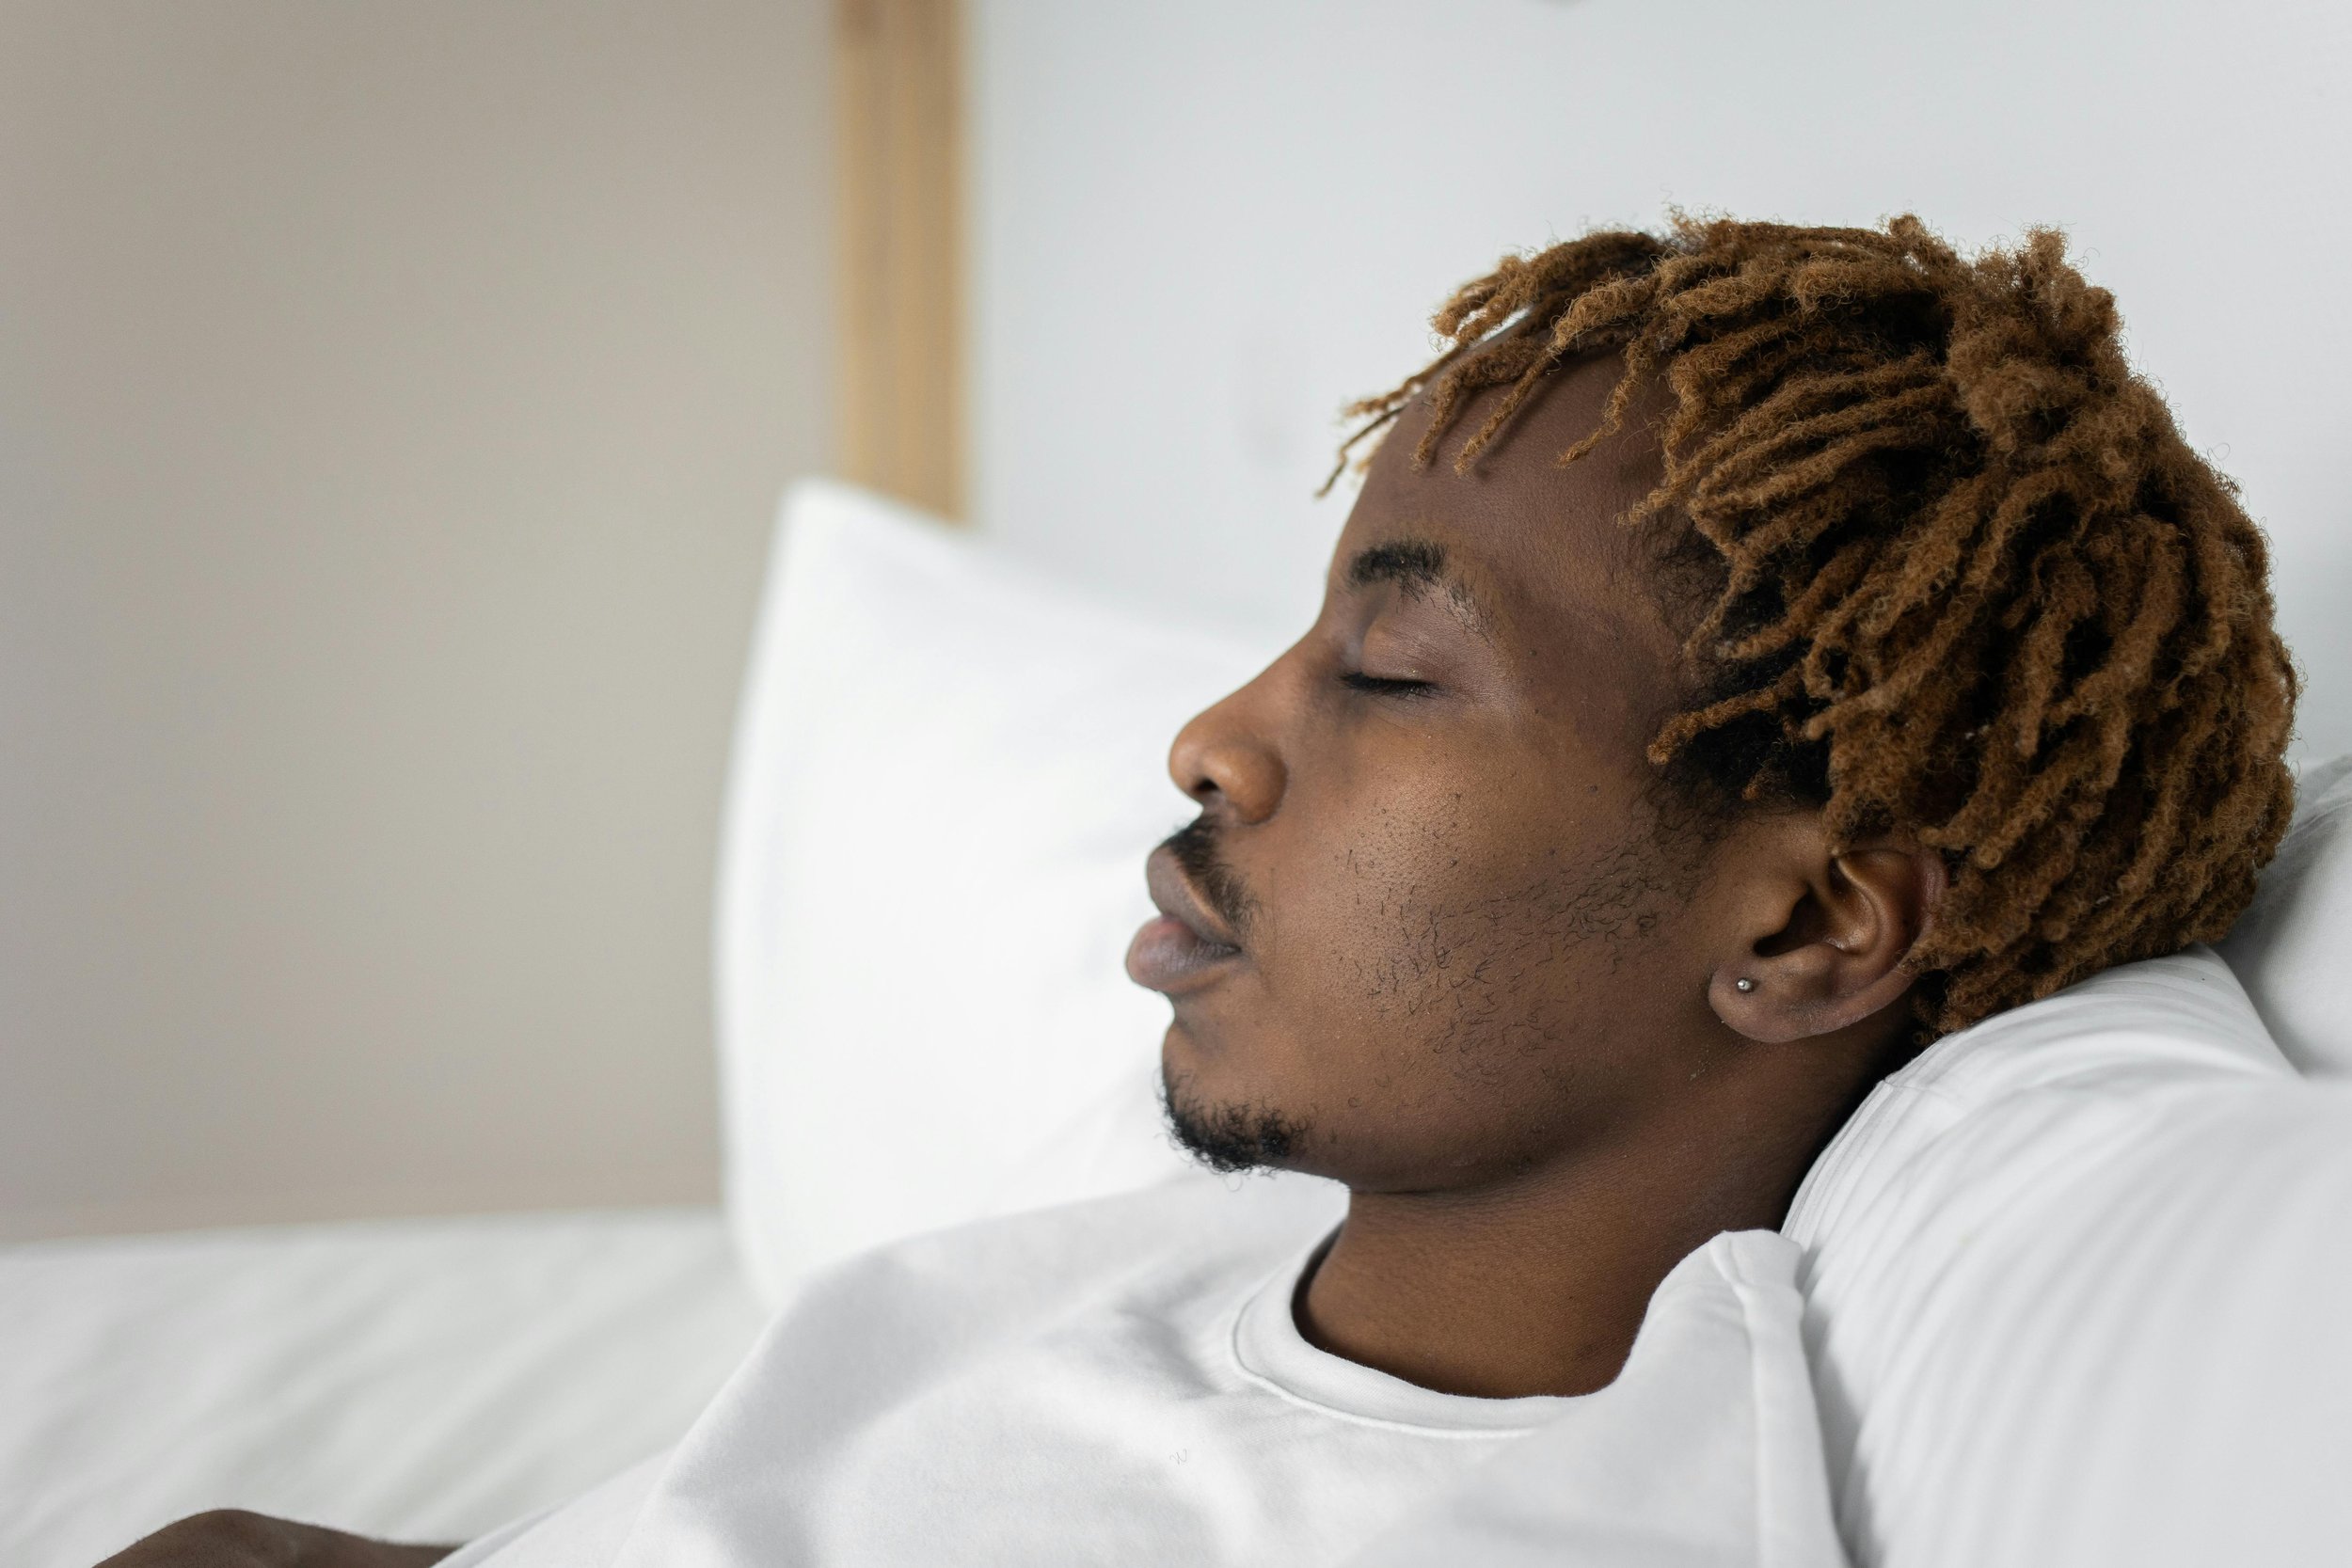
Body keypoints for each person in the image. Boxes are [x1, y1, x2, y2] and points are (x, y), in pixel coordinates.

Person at [101, 214, 2295, 1566]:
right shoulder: (1155, 1281)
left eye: (1388, 671)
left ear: (1805, 927)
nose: (1215, 738)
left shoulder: (1494, 1530)